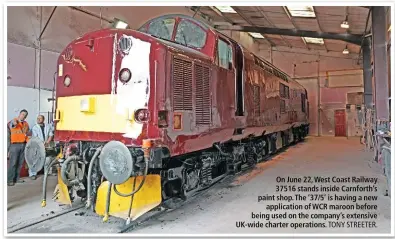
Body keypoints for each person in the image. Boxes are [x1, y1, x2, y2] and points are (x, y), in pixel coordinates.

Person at [7, 109, 30, 186]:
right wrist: (14, 123)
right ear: (19, 114)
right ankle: (10, 180)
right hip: (14, 145)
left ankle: (17, 178)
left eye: (25, 115)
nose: (23, 116)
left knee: (20, 163)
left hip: (23, 145)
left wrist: (29, 143)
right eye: (22, 114)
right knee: (13, 163)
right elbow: (12, 125)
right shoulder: (14, 121)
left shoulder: (26, 124)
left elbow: (26, 134)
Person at [29, 115, 55, 180]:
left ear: (43, 119)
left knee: (47, 160)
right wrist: (41, 144)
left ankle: (47, 172)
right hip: (37, 146)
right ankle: (33, 174)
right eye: (37, 118)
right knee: (35, 160)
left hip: (46, 145)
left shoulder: (47, 126)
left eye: (40, 118)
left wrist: (47, 142)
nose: (38, 119)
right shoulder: (35, 127)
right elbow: (35, 137)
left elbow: (51, 135)